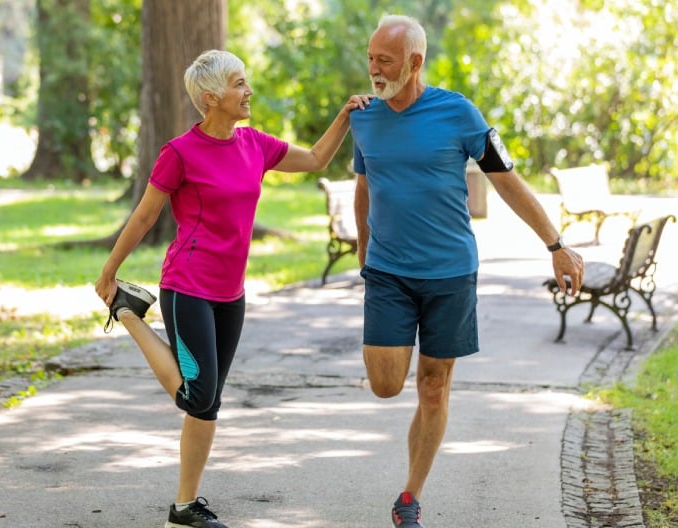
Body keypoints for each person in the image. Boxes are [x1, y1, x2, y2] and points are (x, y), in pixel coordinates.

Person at [95, 49, 372, 528]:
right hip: (188, 286)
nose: (248, 91)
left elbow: (315, 158)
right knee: (198, 396)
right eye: (239, 84)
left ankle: (184, 507)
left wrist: (345, 115)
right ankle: (129, 314)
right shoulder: (179, 153)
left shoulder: (254, 144)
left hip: (231, 293)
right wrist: (109, 272)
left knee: (209, 403)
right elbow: (144, 216)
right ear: (210, 97)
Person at [349, 14, 586, 528]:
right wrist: (364, 256)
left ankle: (409, 497)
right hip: (387, 272)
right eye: (370, 59)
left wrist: (556, 244)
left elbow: (507, 180)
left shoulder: (458, 113)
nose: (374, 69)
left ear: (415, 62)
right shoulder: (363, 117)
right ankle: (409, 481)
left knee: (433, 386)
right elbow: (363, 188)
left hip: (450, 273)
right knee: (385, 384)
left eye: (385, 60)